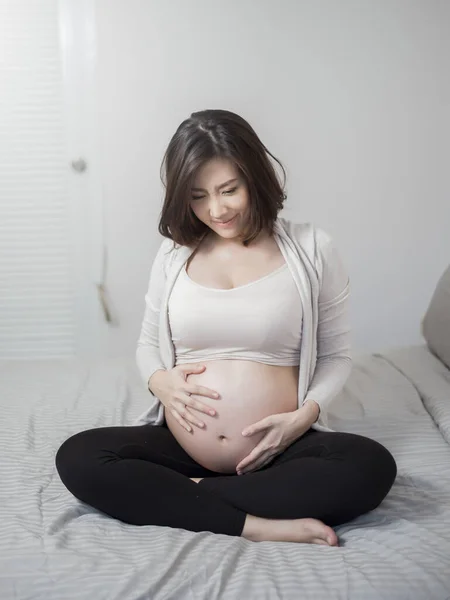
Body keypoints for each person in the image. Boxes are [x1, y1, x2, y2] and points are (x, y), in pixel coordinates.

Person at [56, 109, 397, 546]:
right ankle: (256, 524)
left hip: (278, 448)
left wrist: (301, 419)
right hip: (183, 444)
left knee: (369, 467)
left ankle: (184, 496)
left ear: (255, 176)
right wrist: (161, 384)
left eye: (228, 190)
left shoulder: (313, 247)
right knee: (80, 457)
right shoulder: (173, 254)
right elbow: (146, 345)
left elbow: (335, 354)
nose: (215, 210)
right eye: (198, 196)